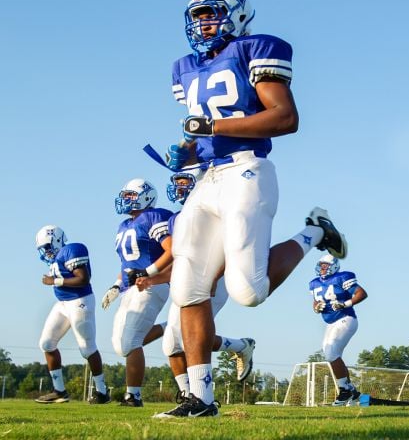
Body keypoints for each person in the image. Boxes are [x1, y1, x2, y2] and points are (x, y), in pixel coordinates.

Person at [163, 0, 348, 418]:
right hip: (207, 177)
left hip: (248, 170)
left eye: (212, 12)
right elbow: (201, 131)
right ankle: (201, 398)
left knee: (248, 291)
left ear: (238, 13)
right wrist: (186, 151)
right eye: (197, 16)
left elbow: (284, 117)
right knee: (187, 290)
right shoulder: (184, 68)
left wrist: (209, 131)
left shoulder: (257, 48)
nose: (204, 22)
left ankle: (314, 231)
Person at [152, 173, 255, 418]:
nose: (179, 187)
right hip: (193, 277)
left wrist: (214, 276)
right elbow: (183, 261)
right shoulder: (178, 219)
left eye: (185, 181)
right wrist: (154, 278)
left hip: (213, 278)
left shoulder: (218, 208)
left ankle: (199, 400)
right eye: (177, 182)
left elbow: (229, 251)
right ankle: (192, 396)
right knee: (171, 344)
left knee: (184, 338)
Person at [101, 178, 173, 407]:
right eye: (125, 195)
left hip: (152, 284)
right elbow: (127, 264)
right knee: (119, 343)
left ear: (146, 196)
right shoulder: (123, 226)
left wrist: (149, 273)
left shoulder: (154, 217)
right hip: (130, 287)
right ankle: (168, 327)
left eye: (131, 195)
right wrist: (115, 286)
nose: (125, 199)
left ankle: (133, 396)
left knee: (129, 342)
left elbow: (173, 249)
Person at [33, 226, 110, 405]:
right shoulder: (56, 258)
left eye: (47, 246)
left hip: (80, 301)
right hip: (63, 304)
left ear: (57, 240)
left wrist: (55, 281)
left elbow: (83, 278)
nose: (45, 251)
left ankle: (102, 392)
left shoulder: (71, 250)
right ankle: (59, 391)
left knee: (87, 348)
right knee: (46, 343)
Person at [310, 254, 367, 406]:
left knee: (331, 353)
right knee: (331, 355)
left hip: (346, 319)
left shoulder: (342, 278)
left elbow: (362, 293)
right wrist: (316, 308)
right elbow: (315, 302)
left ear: (333, 266)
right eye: (321, 265)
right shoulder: (314, 283)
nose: (322, 268)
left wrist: (345, 303)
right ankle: (353, 394)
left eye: (325, 265)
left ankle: (345, 391)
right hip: (331, 323)